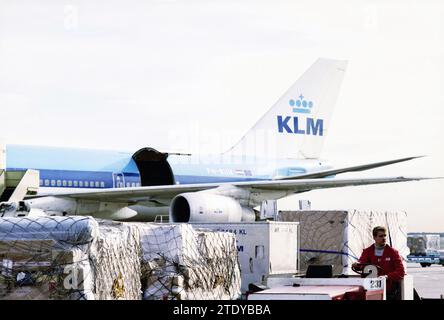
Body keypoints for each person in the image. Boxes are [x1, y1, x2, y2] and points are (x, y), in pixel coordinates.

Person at [352, 226, 405, 300]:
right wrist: (356, 264)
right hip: (370, 288)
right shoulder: (367, 251)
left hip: (388, 290)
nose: (384, 238)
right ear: (374, 237)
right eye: (380, 236)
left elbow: (401, 271)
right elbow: (361, 263)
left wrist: (387, 277)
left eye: (385, 235)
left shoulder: (393, 252)